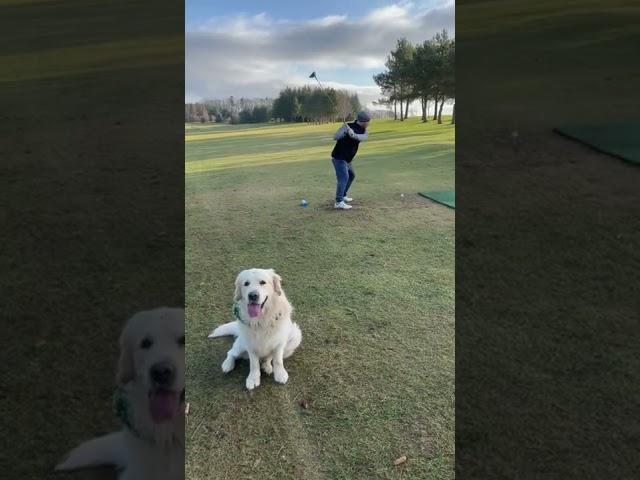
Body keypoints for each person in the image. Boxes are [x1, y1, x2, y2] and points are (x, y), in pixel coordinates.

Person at [331, 111, 371, 209]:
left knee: (351, 176)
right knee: (344, 178)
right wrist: (344, 132)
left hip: (348, 159)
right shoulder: (347, 126)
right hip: (339, 157)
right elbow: (335, 137)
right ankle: (338, 201)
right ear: (363, 121)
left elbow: (363, 137)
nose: (369, 124)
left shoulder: (364, 130)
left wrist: (353, 135)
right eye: (368, 122)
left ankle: (343, 195)